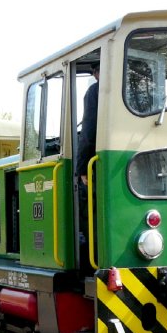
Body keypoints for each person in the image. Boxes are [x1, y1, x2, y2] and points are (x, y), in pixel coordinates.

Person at [76, 63, 99, 271]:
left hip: (99, 165)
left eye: (95, 71)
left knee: (88, 209)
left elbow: (89, 131)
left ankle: (92, 262)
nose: (94, 74)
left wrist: (82, 169)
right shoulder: (144, 91)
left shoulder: (95, 91)